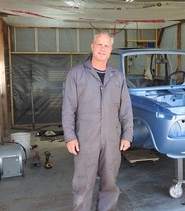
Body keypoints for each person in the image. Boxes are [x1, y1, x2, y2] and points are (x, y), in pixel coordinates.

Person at [62, 32, 133, 211]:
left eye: (106, 46)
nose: (102, 48)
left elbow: (125, 109)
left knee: (110, 184)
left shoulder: (117, 77)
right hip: (85, 140)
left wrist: (127, 135)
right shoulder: (77, 74)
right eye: (99, 44)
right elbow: (68, 108)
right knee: (83, 184)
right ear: (92, 47)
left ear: (110, 51)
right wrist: (70, 137)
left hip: (112, 139)